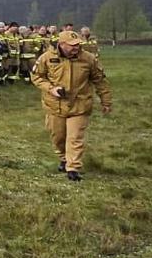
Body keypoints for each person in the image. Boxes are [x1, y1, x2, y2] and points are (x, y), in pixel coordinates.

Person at [29, 30, 113, 181]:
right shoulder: (46, 58)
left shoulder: (88, 59)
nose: (76, 47)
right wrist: (51, 89)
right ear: (61, 44)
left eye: (78, 44)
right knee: (58, 137)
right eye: (72, 45)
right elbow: (37, 76)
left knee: (75, 138)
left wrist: (106, 101)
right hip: (55, 105)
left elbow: (100, 81)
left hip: (80, 105)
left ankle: (73, 168)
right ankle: (64, 158)